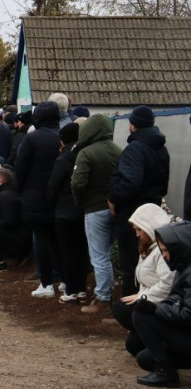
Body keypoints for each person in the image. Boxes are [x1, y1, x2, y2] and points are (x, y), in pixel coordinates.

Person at [109, 105, 171, 299]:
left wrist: (113, 197)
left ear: (133, 125)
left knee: (131, 262)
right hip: (152, 212)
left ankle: (130, 308)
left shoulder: (135, 149)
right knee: (147, 260)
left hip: (132, 215)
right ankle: (147, 301)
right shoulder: (161, 149)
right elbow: (164, 184)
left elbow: (131, 182)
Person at [71, 113, 123, 313]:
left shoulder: (86, 153)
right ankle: (107, 291)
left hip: (94, 209)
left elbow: (78, 183)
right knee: (108, 253)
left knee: (98, 255)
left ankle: (102, 299)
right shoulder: (118, 150)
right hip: (115, 208)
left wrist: (81, 202)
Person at [131, 221, 191, 388]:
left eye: (166, 250)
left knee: (141, 315)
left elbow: (188, 315)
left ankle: (166, 373)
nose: (164, 255)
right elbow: (175, 299)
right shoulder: (183, 266)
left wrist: (155, 308)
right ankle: (165, 368)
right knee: (144, 358)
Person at [111, 204, 175, 360]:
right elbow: (146, 279)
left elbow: (168, 283)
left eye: (140, 230)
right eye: (136, 231)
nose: (138, 235)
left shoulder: (162, 249)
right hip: (151, 297)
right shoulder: (148, 247)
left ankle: (163, 338)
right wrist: (141, 294)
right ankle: (152, 337)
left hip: (162, 302)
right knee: (133, 346)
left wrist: (143, 296)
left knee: (121, 308)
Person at [16, 100, 61, 298]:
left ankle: (46, 283)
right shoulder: (62, 136)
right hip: (60, 197)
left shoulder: (32, 139)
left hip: (36, 197)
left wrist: (21, 191)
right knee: (61, 241)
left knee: (42, 240)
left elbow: (21, 168)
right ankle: (66, 281)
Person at [46, 122, 88, 303]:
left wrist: (51, 205)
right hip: (85, 210)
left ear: (63, 140)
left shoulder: (62, 159)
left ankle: (71, 289)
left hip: (64, 212)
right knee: (82, 250)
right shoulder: (86, 156)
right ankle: (81, 288)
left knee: (68, 252)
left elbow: (53, 187)